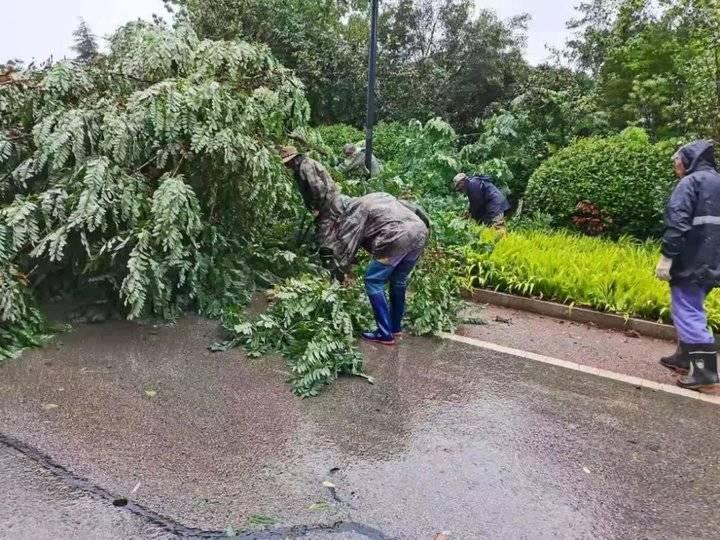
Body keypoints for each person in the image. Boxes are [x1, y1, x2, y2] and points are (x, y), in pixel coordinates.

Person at [279, 146, 428, 346]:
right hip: (420, 233)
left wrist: (340, 271)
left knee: (372, 281)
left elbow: (347, 245)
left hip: (398, 237)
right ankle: (395, 329)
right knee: (398, 281)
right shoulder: (379, 197)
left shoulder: (355, 211)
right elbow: (415, 209)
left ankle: (385, 333)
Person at [656, 140, 720, 390]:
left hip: (692, 259)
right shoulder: (717, 182)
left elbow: (678, 222)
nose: (675, 168)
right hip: (713, 260)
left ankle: (705, 375)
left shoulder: (690, 183)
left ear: (685, 161)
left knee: (687, 310)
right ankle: (684, 357)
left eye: (676, 163)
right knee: (690, 306)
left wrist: (667, 257)